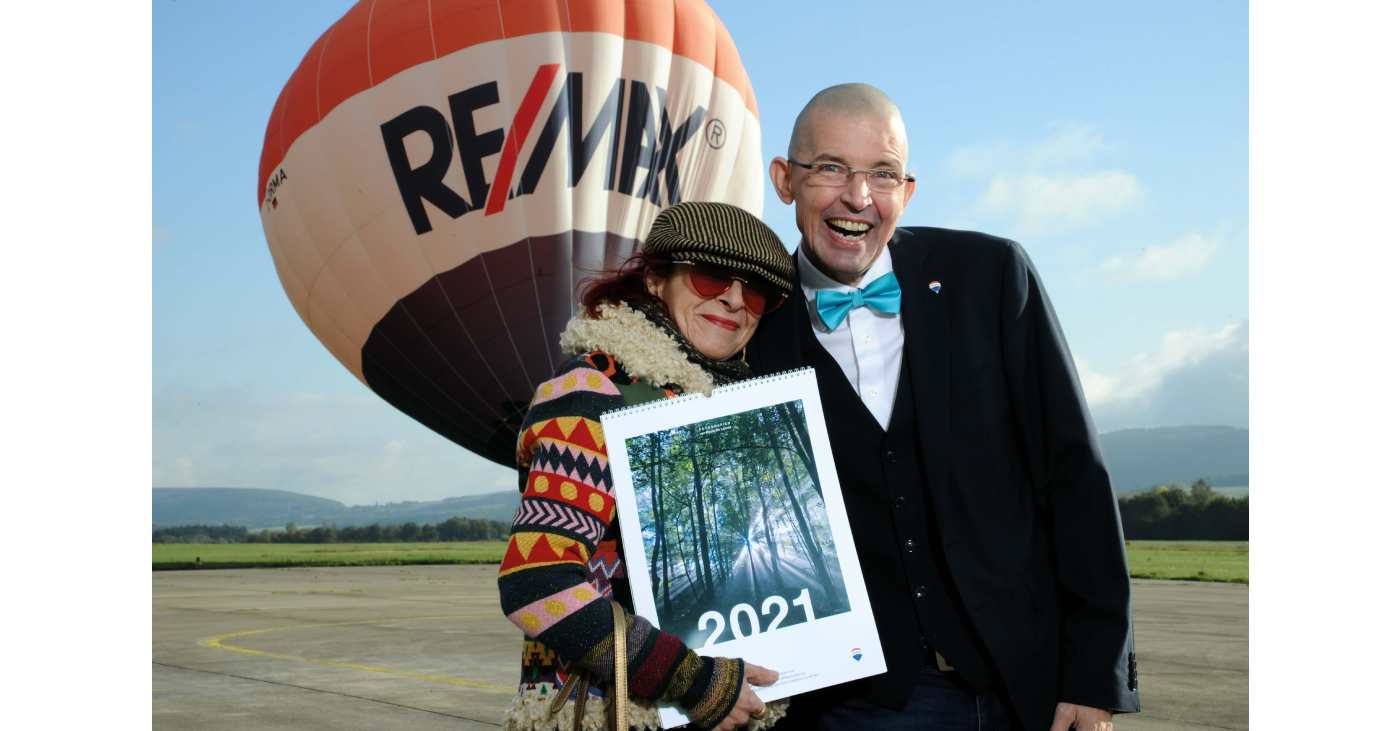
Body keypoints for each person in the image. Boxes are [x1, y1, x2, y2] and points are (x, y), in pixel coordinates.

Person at [747, 84, 1141, 730]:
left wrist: (1094, 672)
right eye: (830, 169)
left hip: (1025, 691)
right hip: (853, 709)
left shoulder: (993, 277)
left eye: (882, 173)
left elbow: (1075, 478)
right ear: (784, 180)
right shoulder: (752, 327)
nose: (858, 197)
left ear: (907, 191)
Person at [499, 201, 794, 731]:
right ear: (657, 279)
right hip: (614, 714)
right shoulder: (594, 392)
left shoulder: (728, 410)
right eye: (709, 277)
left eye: (754, 292)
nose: (733, 299)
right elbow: (537, 583)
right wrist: (693, 681)